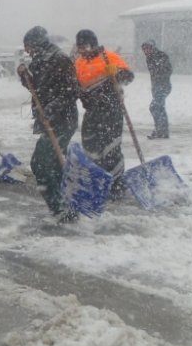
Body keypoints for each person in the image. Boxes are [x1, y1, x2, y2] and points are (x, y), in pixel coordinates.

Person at [17, 27, 79, 222]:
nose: (27, 51)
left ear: (37, 43)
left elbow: (71, 91)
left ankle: (60, 209)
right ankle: (65, 207)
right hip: (49, 121)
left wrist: (51, 110)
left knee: (40, 164)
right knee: (53, 165)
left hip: (62, 121)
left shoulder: (59, 59)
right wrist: (24, 76)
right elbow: (36, 89)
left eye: (28, 46)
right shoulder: (40, 60)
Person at [74, 29, 134, 199]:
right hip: (92, 110)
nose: (82, 50)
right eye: (79, 47)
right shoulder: (79, 63)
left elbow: (129, 77)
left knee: (111, 147)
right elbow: (77, 83)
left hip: (111, 109)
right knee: (91, 145)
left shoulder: (109, 57)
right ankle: (99, 177)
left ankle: (116, 184)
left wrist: (118, 73)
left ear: (92, 44)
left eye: (84, 46)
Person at [141, 40, 173, 139]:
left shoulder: (161, 56)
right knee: (159, 108)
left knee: (154, 107)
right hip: (156, 87)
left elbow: (169, 70)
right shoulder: (149, 58)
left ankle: (161, 130)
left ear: (152, 47)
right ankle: (162, 131)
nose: (146, 51)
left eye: (148, 48)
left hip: (163, 86)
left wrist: (160, 73)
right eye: (144, 49)